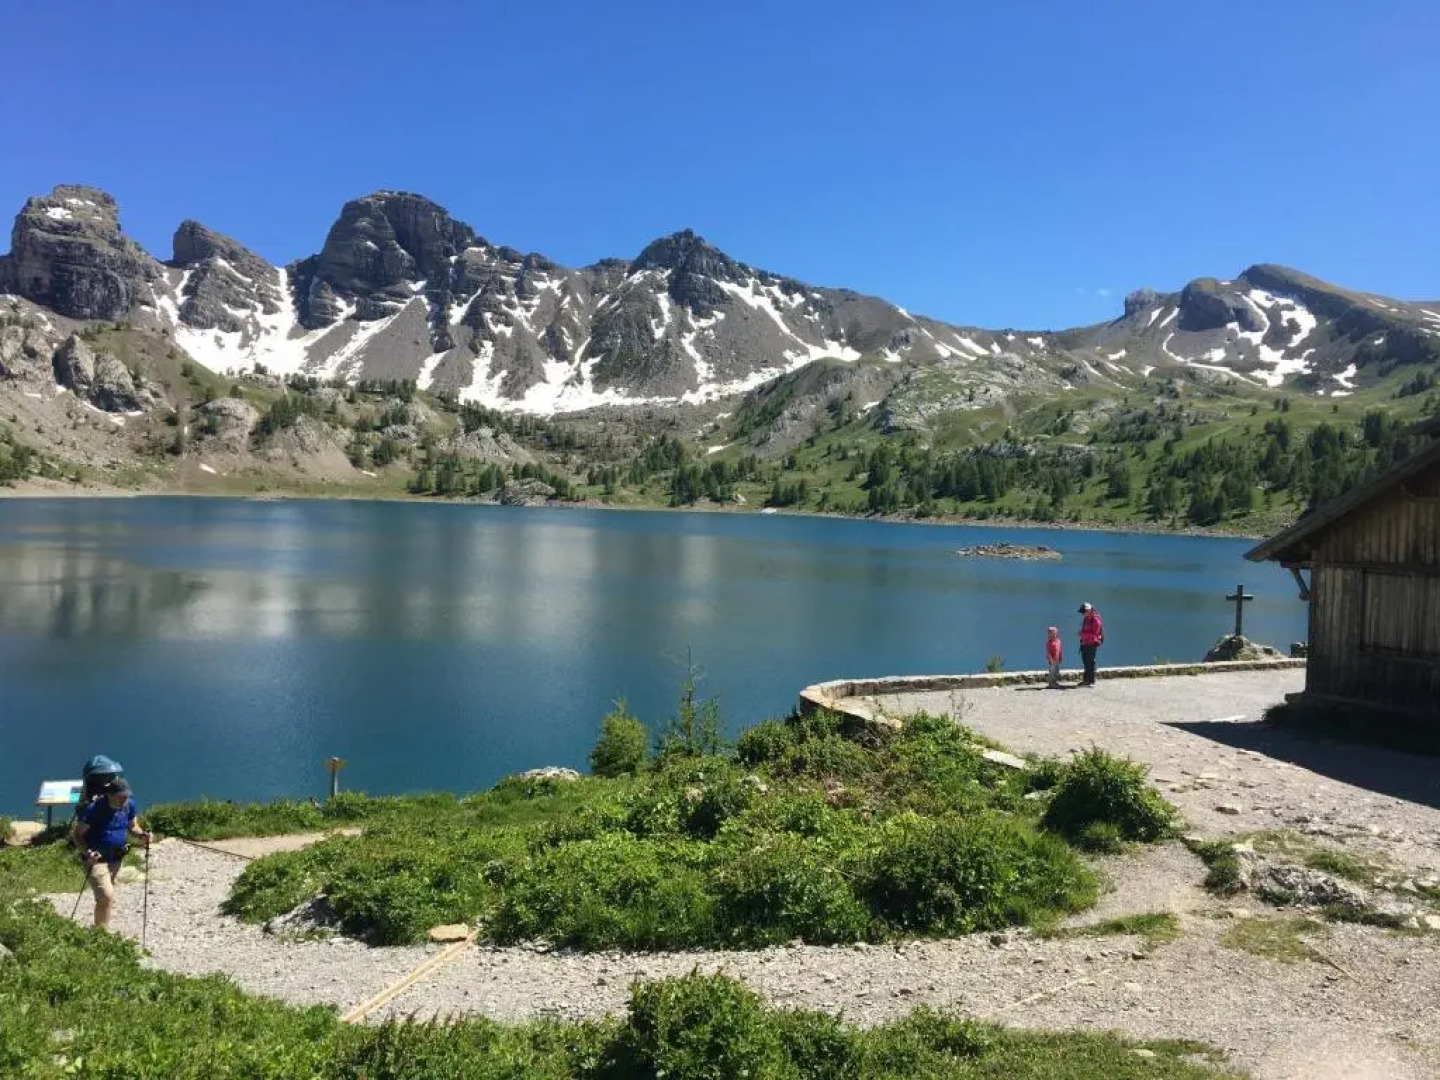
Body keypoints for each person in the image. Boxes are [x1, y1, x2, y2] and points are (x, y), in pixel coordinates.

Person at [72, 777, 151, 929]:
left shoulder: (129, 806)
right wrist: (87, 852)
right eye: (121, 796)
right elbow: (77, 835)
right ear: (110, 795)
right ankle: (101, 933)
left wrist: (142, 835)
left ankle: (101, 930)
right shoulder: (94, 810)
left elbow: (133, 826)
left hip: (116, 858)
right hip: (96, 859)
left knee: (106, 896)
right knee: (107, 895)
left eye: (127, 796)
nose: (125, 799)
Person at [1077, 602, 1105, 687]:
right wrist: (1082, 637)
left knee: (1090, 661)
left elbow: (1095, 634)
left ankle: (1091, 681)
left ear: (1089, 610)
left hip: (1092, 643)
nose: (1083, 614)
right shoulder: (1086, 618)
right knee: (1085, 661)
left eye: (1084, 612)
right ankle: (1086, 680)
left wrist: (1082, 634)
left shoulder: (1096, 620)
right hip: (1085, 642)